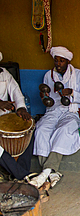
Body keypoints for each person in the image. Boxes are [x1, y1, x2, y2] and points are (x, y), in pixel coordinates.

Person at [29, 46, 80, 188]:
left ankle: (45, 172)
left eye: (61, 61)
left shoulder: (79, 75)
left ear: (68, 61)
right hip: (53, 111)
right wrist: (44, 96)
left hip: (71, 111)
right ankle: (51, 172)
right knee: (41, 129)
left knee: (63, 131)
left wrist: (72, 93)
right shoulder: (48, 75)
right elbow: (49, 98)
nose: (58, 64)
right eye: (56, 60)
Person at [0, 52, 34, 181]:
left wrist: (21, 108)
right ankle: (22, 175)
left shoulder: (4, 73)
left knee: (29, 128)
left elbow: (15, 91)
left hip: (4, 116)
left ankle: (22, 169)